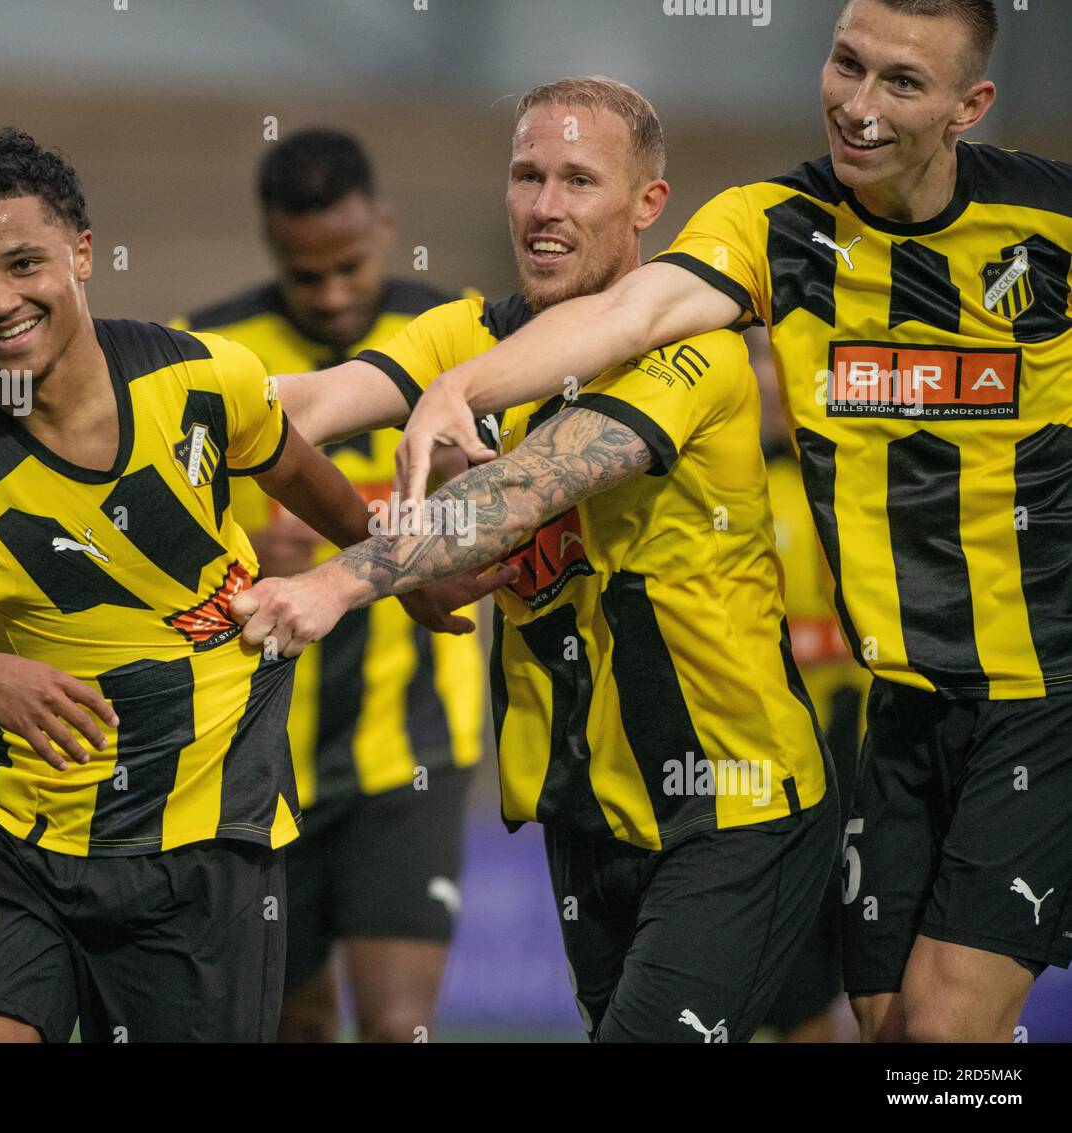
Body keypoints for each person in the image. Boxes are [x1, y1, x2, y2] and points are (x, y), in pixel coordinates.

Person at [391, 0, 1072, 1042]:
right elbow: (630, 314)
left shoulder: (1051, 221)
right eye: (846, 65)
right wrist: (462, 388)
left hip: (1046, 694)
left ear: (968, 106)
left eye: (902, 83)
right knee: (893, 1029)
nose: (859, 105)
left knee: (941, 1032)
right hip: (900, 707)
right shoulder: (772, 222)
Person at [0, 127, 493, 1043]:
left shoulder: (200, 374)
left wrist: (395, 571)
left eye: (24, 264)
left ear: (82, 254)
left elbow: (289, 462)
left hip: (208, 843)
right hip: (25, 840)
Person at [232, 76, 840, 1042]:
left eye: (579, 180)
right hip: (585, 815)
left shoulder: (699, 352)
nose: (546, 207)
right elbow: (297, 406)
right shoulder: (464, 333)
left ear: (649, 204)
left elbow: (526, 488)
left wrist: (339, 581)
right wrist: (129, 405)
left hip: (733, 807)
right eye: (527, 175)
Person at [171, 128, 484, 1043]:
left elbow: (512, 494)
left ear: (384, 228)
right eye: (308, 276)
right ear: (274, 250)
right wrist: (243, 553)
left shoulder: (461, 332)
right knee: (289, 1022)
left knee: (398, 1026)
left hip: (414, 748)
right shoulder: (213, 350)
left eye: (350, 265)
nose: (335, 293)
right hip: (265, 755)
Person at [752, 328, 868, 1043]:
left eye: (784, 362)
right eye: (757, 361)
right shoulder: (717, 485)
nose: (771, 380)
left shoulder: (865, 480)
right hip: (755, 779)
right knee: (792, 1001)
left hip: (866, 770)